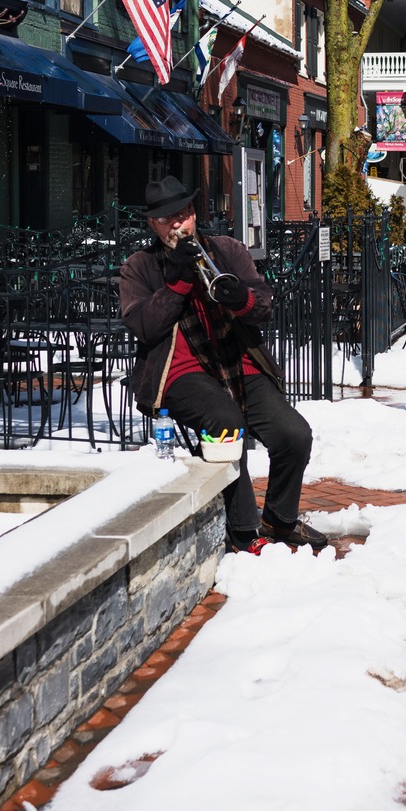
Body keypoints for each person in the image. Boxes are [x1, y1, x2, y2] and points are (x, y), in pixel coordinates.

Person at [118, 176, 325, 554]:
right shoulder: (140, 267)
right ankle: (243, 530)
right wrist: (177, 285)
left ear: (194, 214)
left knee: (294, 435)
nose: (178, 225)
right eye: (168, 219)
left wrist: (242, 298)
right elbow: (143, 326)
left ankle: (279, 519)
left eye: (184, 215)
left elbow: (263, 305)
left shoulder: (227, 249)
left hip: (238, 363)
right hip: (180, 372)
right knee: (228, 424)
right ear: (152, 224)